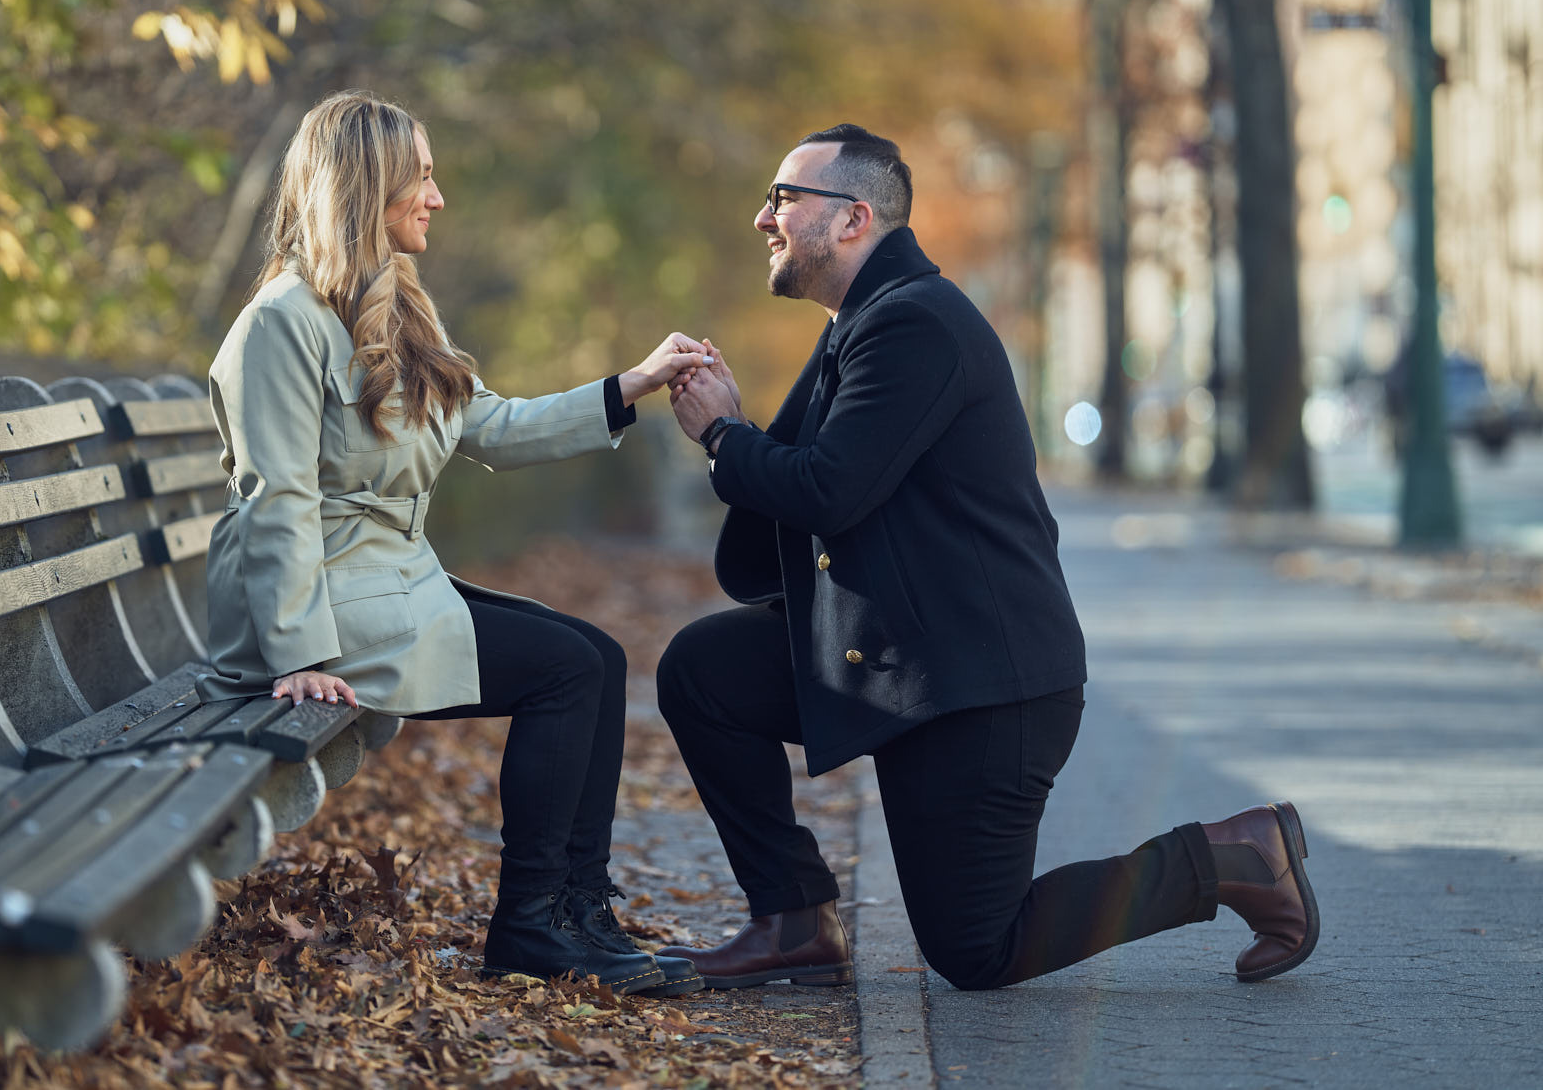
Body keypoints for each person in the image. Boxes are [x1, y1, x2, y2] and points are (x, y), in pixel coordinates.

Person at [653, 123, 1320, 991]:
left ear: (853, 219)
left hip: (981, 689)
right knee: (703, 670)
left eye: (783, 199)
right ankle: (793, 920)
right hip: (903, 660)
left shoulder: (915, 326)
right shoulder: (864, 320)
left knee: (977, 950)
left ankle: (1233, 857)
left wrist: (723, 436)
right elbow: (808, 488)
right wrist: (736, 436)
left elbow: (829, 490)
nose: (762, 218)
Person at [200, 90, 710, 996]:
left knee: (591, 653)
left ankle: (576, 914)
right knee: (569, 671)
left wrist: (632, 385)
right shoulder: (281, 323)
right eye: (419, 178)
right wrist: (301, 653)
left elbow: (494, 427)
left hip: (384, 582)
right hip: (316, 605)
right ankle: (532, 926)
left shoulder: (392, 309)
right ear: (364, 189)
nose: (436, 197)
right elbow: (272, 497)